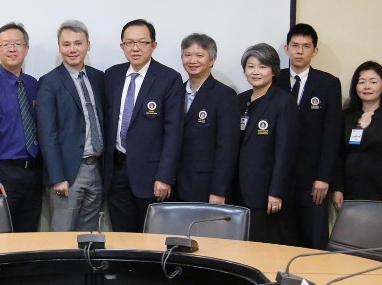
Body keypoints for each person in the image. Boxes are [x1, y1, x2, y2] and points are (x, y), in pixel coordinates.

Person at [103, 19, 183, 232]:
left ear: (153, 45)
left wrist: (164, 176)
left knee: (151, 238)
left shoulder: (169, 78)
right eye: (129, 43)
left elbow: (173, 132)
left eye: (142, 42)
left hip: (151, 175)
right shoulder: (112, 75)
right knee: (121, 237)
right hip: (116, 172)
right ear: (122, 46)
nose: (135, 48)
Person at [37, 20, 105, 232]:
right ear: (59, 47)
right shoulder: (49, 82)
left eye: (78, 43)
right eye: (66, 44)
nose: (72, 49)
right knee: (63, 235)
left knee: (90, 235)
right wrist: (58, 177)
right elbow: (47, 133)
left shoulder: (99, 77)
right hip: (68, 173)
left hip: (97, 169)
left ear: (88, 45)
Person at [280, 23, 342, 249]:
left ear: (315, 51)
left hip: (313, 180)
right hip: (279, 179)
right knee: (281, 241)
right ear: (286, 48)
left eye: (306, 46)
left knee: (313, 241)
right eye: (295, 45)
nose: (299, 51)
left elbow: (332, 134)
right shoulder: (274, 79)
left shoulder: (329, 83)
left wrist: (324, 177)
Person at [0, 22, 42, 232]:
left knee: (29, 235)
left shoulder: (33, 85)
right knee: (3, 236)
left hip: (34, 172)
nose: (12, 49)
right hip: (5, 174)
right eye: (6, 44)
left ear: (26, 49)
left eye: (17, 44)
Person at [235, 43, 298, 245]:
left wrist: (276, 191)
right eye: (250, 66)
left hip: (265, 193)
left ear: (273, 70)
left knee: (262, 246)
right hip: (238, 190)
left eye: (262, 66)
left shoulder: (283, 102)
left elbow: (285, 152)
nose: (255, 72)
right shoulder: (240, 100)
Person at [331, 61, 382, 208]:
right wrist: (337, 188)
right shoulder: (346, 116)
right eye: (362, 82)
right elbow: (339, 155)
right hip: (350, 192)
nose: (367, 87)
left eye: (373, 82)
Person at [175, 33, 240, 204]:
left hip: (206, 186)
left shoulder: (225, 96)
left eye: (199, 55)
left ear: (212, 60)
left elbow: (227, 148)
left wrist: (218, 190)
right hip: (175, 184)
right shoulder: (175, 92)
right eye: (187, 55)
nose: (192, 60)